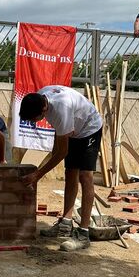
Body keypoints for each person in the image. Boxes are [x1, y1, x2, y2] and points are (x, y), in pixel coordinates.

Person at [19, 85, 103, 252]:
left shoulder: (60, 110)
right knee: (70, 172)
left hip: (89, 129)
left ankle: (83, 233)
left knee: (85, 176)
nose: (34, 123)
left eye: (34, 119)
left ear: (44, 110)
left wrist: (37, 174)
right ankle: (65, 223)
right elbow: (59, 144)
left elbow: (61, 152)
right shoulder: (41, 96)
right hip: (74, 129)